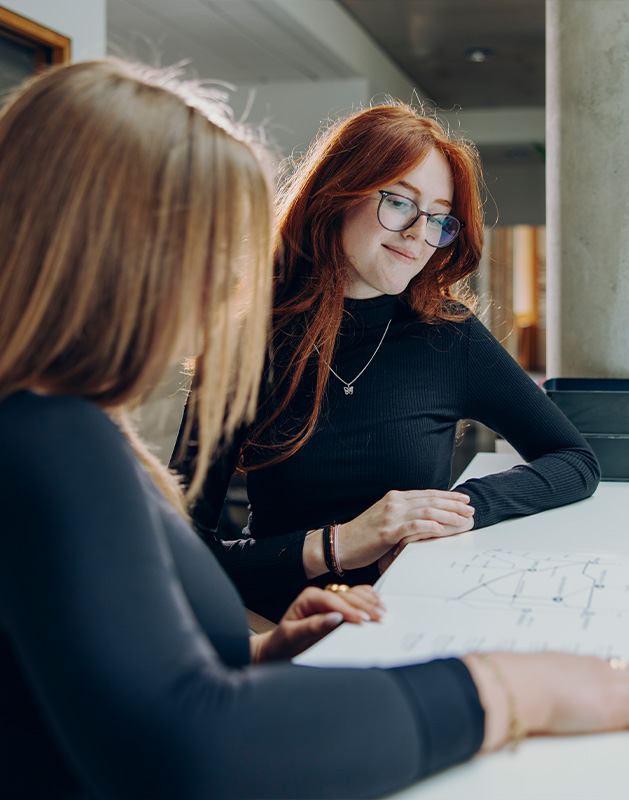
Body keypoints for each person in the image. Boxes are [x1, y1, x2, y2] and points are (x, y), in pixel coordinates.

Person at [1, 58, 627, 800]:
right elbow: (185, 747)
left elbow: (117, 664)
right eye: (212, 244)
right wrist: (509, 689)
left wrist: (260, 652)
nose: (229, 278)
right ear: (109, 246)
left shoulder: (65, 429)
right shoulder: (49, 441)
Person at [173, 102, 601, 622]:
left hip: (405, 618)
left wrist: (451, 513)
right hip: (276, 630)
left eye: (439, 218)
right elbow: (179, 553)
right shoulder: (243, 343)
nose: (420, 234)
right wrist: (339, 544)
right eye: (400, 202)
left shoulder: (448, 335)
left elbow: (575, 461)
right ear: (337, 195)